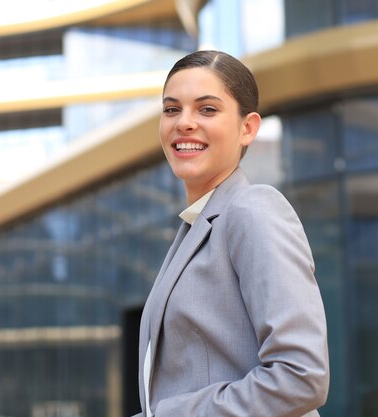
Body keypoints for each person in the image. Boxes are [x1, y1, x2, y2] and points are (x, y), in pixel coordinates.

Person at [134, 50, 329, 417]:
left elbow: (301, 376)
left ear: (248, 128)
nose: (184, 123)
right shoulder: (195, 227)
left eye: (207, 109)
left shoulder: (252, 209)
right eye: (172, 109)